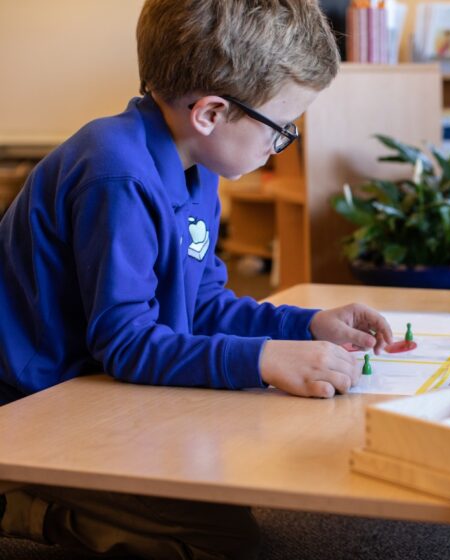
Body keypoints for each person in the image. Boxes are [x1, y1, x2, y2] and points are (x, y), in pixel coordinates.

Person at [0, 0, 392, 557]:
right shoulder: (116, 174)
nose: (281, 144)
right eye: (282, 128)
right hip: (34, 407)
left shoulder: (197, 163)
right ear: (210, 112)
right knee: (218, 540)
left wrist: (308, 327)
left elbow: (203, 303)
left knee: (225, 491)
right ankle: (19, 502)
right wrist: (261, 359)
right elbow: (126, 343)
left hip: (100, 390)